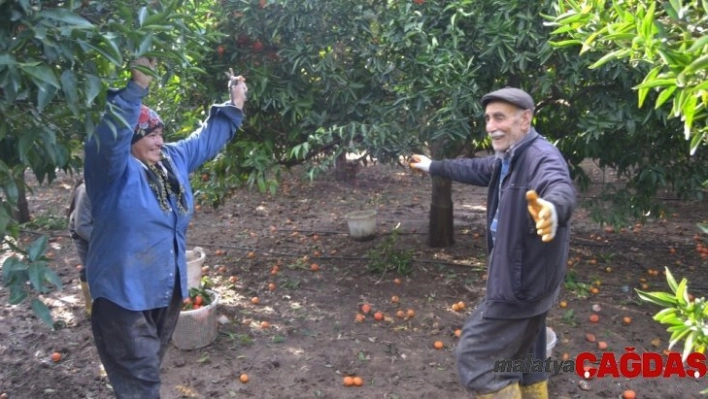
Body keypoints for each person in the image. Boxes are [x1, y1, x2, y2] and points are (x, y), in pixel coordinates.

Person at [83, 57, 248, 399]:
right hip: (122, 295)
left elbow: (206, 139)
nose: (158, 141)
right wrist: (136, 87)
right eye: (148, 135)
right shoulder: (111, 172)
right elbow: (110, 136)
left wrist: (235, 105)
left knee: (144, 372)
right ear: (130, 139)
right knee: (142, 380)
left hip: (163, 290)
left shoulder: (172, 160)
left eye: (160, 134)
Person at [409, 87, 575, 399]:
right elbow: (476, 168)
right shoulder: (508, 158)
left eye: (499, 117)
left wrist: (552, 210)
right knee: (527, 357)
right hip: (535, 282)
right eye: (487, 118)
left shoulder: (541, 157)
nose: (490, 126)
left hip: (520, 284)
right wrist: (433, 166)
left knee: (478, 358)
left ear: (525, 119)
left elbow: (558, 186)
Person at [67, 180, 93, 316]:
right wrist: (104, 242)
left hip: (100, 229)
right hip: (82, 232)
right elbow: (82, 227)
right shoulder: (86, 190)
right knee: (90, 267)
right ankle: (91, 307)